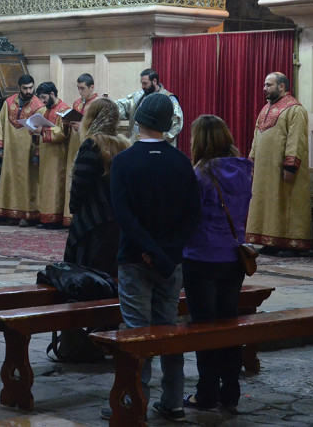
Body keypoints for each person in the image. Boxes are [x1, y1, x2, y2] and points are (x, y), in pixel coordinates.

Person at [109, 92, 200, 421]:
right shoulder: (181, 162)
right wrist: (167, 254)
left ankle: (135, 400)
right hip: (170, 263)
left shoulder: (124, 161)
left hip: (135, 258)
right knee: (168, 330)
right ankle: (174, 401)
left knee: (136, 332)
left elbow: (124, 217)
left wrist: (149, 251)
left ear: (138, 121)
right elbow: (193, 216)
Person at [181, 115, 254, 412]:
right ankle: (231, 391)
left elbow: (189, 216)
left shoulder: (200, 174)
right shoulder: (244, 170)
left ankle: (207, 392)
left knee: (204, 327)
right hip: (233, 258)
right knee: (228, 324)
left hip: (201, 257)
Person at [246, 72, 313, 252]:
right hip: (264, 169)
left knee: (284, 202)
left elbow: (296, 139)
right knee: (266, 202)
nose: (264, 88)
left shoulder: (295, 110)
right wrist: (252, 161)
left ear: (281, 87)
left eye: (269, 85)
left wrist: (290, 165)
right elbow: (256, 137)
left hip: (282, 169)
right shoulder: (265, 108)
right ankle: (270, 240)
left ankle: (290, 241)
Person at [64, 98, 128, 273]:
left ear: (92, 118)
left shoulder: (92, 144)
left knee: (90, 272)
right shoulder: (124, 144)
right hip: (117, 218)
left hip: (92, 219)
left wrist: (74, 207)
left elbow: (80, 183)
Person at [0, 74, 44, 226]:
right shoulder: (8, 103)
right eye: (25, 88)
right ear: (19, 88)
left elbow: (40, 132)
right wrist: (0, 147)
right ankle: (10, 212)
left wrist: (37, 154)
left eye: (31, 88)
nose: (29, 91)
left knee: (27, 182)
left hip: (27, 151)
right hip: (10, 150)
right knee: (10, 180)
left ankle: (27, 215)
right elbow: (1, 125)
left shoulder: (39, 106)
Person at [63, 73, 99, 227]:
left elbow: (100, 127)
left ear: (92, 87)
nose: (80, 92)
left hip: (89, 146)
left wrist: (82, 126)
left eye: (82, 88)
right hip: (74, 144)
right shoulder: (77, 103)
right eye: (78, 88)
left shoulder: (98, 104)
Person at [32, 81, 69, 228]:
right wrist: (33, 131)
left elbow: (63, 133)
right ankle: (46, 218)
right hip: (46, 155)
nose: (42, 101)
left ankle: (55, 219)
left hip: (58, 156)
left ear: (52, 94)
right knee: (46, 187)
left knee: (55, 186)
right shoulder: (44, 110)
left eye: (44, 97)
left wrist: (42, 131)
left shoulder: (64, 110)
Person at [114, 69, 183, 145]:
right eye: (142, 83)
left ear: (154, 81)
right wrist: (106, 104)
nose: (142, 86)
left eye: (145, 83)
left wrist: (157, 140)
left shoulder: (169, 100)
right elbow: (122, 107)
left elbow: (176, 124)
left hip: (160, 147)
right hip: (137, 147)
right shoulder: (138, 97)